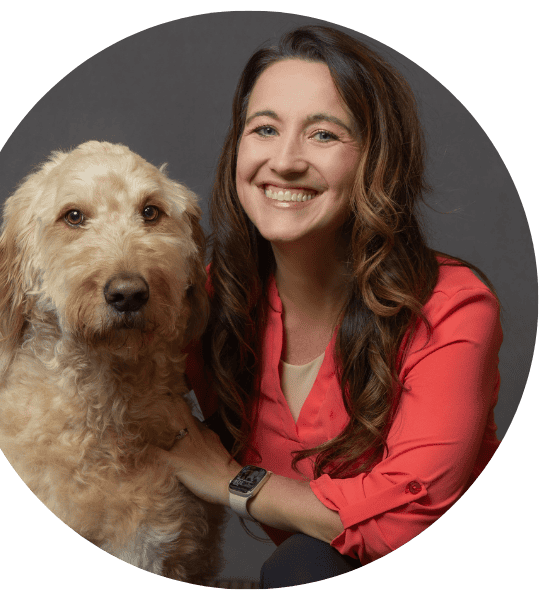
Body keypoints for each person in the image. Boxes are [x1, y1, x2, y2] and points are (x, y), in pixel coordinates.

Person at [156, 25, 502, 588]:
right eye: (264, 129)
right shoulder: (217, 298)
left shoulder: (451, 307)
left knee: (303, 565)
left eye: (323, 135)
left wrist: (230, 481)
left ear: (377, 160)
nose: (285, 161)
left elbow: (404, 526)